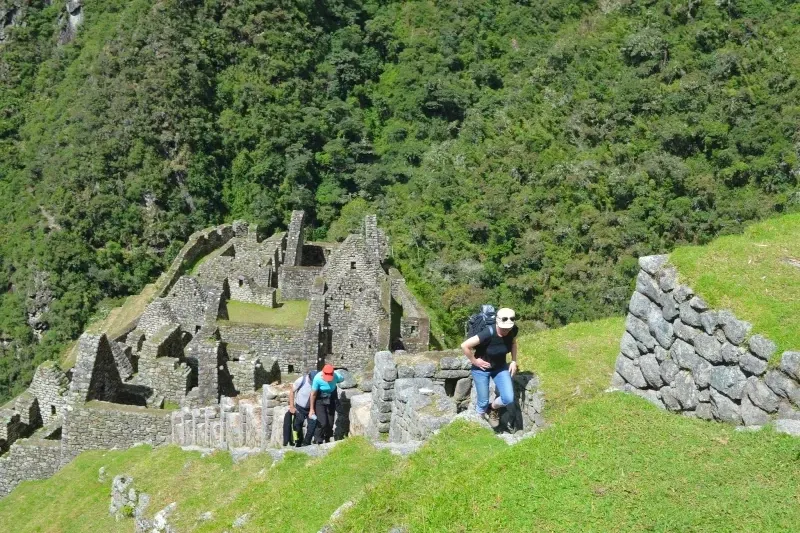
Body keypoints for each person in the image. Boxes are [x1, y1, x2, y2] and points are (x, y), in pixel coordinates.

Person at [460, 307, 518, 428]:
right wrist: (475, 361)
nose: (506, 330)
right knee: (482, 402)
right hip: (481, 370)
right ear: (497, 322)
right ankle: (478, 426)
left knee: (508, 398)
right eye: (503, 328)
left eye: (508, 328)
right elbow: (465, 345)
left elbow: (513, 343)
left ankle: (492, 409)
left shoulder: (511, 331)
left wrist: (513, 361)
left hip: (500, 367)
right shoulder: (488, 332)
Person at [308, 364, 344, 444]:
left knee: (330, 422)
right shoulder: (317, 378)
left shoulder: (336, 376)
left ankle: (327, 439)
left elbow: (342, 379)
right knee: (322, 422)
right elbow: (313, 394)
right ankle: (318, 440)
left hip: (331, 399)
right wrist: (311, 409)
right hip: (320, 400)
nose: (328, 380)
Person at [286, 368, 317, 447]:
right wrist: (292, 406)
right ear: (309, 377)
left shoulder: (317, 382)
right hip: (300, 408)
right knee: (297, 426)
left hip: (311, 408)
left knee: (312, 425)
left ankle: (306, 443)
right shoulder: (301, 380)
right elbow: (292, 392)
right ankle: (299, 442)